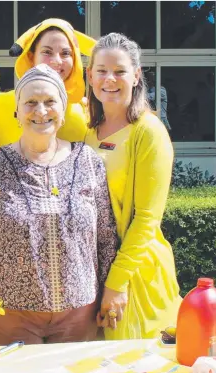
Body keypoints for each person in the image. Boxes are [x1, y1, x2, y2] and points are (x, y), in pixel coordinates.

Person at [0, 64, 117, 346]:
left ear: (63, 108)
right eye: (30, 102)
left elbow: (105, 236)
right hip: (8, 316)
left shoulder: (88, 161)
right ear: (17, 112)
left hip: (78, 314)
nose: (40, 111)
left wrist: (111, 292)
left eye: (49, 101)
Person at [85, 33, 181, 340]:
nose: (109, 79)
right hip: (96, 273)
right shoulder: (89, 131)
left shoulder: (148, 131)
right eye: (101, 70)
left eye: (120, 71)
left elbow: (147, 219)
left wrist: (117, 282)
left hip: (135, 275)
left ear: (136, 75)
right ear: (90, 75)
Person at [0, 18, 96, 149]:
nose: (56, 61)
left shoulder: (84, 113)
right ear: (31, 57)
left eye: (65, 53)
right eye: (47, 52)